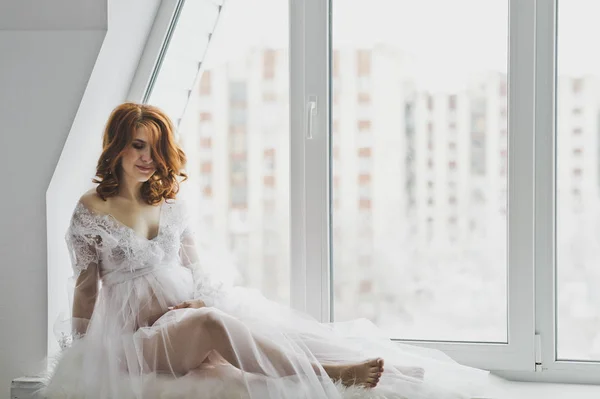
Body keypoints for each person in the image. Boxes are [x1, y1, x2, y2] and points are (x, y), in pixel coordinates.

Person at [43, 103, 490, 399]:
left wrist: (203, 297)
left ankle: (349, 366)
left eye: (155, 149)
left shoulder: (170, 206)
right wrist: (84, 353)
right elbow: (86, 289)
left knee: (244, 319)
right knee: (212, 322)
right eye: (138, 145)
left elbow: (194, 267)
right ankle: (333, 375)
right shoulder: (92, 209)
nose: (147, 158)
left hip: (181, 317)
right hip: (132, 341)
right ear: (116, 145)